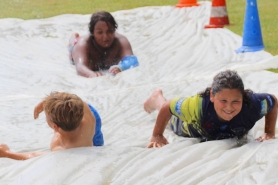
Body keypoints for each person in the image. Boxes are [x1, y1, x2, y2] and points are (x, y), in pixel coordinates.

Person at [143, 70, 277, 148]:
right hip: (187, 126)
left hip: (218, 130)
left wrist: (269, 132)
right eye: (223, 101)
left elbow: (273, 101)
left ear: (243, 97)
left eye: (236, 101)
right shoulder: (197, 106)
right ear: (212, 96)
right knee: (171, 121)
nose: (229, 108)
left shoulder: (253, 105)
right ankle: (157, 98)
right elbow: (169, 106)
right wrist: (157, 135)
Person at [0, 92, 104, 160]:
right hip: (90, 132)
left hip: (81, 142)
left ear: (55, 126)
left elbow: (34, 155)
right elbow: (72, 99)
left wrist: (7, 153)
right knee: (74, 104)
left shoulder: (60, 147)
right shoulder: (89, 120)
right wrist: (46, 102)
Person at [68, 11, 139, 78]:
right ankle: (74, 37)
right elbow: (80, 66)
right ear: (92, 33)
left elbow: (132, 60)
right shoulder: (83, 44)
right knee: (72, 45)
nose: (105, 37)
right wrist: (91, 74)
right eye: (100, 32)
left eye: (109, 31)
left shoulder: (120, 41)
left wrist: (121, 67)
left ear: (114, 30)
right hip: (76, 45)